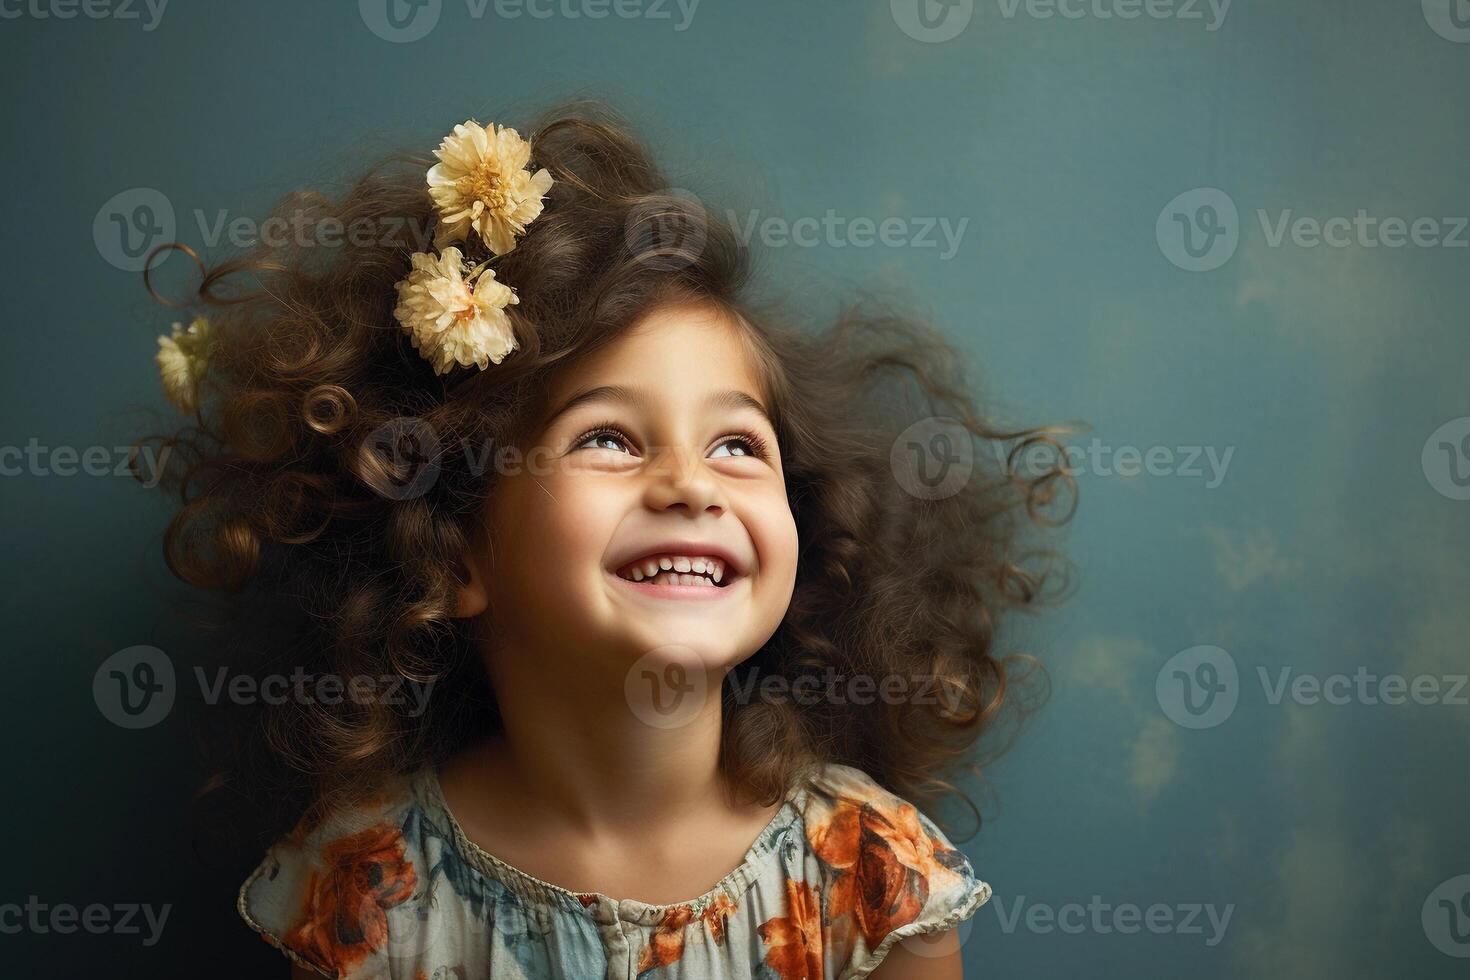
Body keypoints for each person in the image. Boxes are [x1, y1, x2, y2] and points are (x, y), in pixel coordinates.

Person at [141, 101, 1071, 979]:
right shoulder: (364, 889)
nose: (690, 483)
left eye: (739, 445)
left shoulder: (874, 878)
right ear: (457, 552)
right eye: (609, 439)